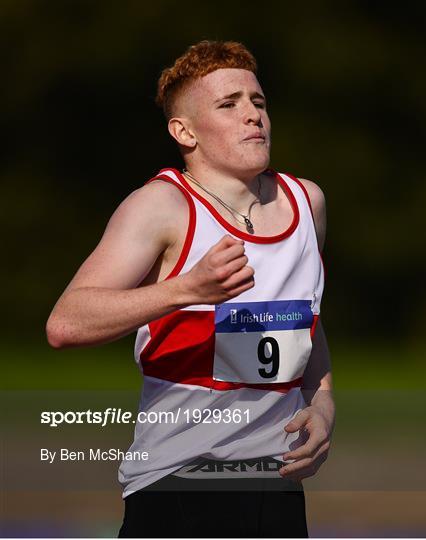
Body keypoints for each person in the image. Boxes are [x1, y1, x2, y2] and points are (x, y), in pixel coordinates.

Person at [46, 40, 335, 538]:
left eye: (258, 102)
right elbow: (65, 323)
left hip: (276, 480)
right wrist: (186, 288)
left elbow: (304, 319)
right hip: (179, 481)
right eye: (229, 104)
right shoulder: (162, 207)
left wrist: (323, 399)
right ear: (184, 131)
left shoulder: (307, 202)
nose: (253, 116)